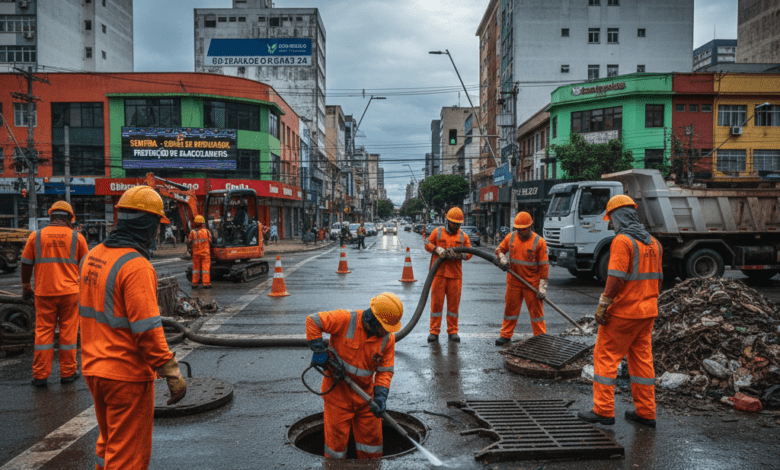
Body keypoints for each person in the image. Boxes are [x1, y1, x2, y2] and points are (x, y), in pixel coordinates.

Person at [79, 186, 186, 469]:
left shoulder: (92, 256)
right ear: (147, 224)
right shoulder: (136, 266)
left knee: (110, 442)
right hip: (125, 376)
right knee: (129, 456)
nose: (157, 233)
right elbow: (147, 331)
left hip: (94, 369)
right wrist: (170, 370)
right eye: (156, 226)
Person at [578, 195, 662, 428]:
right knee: (642, 361)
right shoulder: (654, 243)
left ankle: (603, 410)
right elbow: (658, 280)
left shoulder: (622, 242)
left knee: (605, 356)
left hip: (624, 313)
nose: (611, 224)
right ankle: (646, 412)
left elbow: (615, 278)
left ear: (618, 217)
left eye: (611, 220)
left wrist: (603, 304)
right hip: (648, 312)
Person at [305, 293, 403, 460]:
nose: (387, 331)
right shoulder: (345, 320)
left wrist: (380, 397)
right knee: (335, 449)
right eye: (384, 327)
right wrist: (319, 350)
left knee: (372, 446)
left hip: (366, 400)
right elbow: (313, 321)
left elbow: (385, 371)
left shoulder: (387, 339)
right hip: (337, 397)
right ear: (372, 319)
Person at [22, 201, 89, 387]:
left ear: (51, 217)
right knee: (68, 332)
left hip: (44, 293)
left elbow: (26, 263)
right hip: (70, 293)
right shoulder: (77, 238)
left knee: (43, 332)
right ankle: (67, 373)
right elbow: (86, 267)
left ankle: (40, 375)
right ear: (69, 219)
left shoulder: (36, 237)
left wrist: (26, 286)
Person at [495, 212, 549, 345]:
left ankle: (540, 337)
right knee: (510, 310)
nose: (520, 232)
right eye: (518, 229)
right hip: (514, 282)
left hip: (532, 284)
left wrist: (542, 287)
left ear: (530, 226)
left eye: (523, 229)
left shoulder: (539, 242)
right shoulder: (511, 238)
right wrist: (502, 258)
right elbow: (499, 249)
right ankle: (506, 335)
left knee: (536, 314)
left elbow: (544, 267)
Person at [424, 207, 472, 343]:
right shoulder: (437, 232)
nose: (456, 226)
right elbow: (427, 244)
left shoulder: (463, 236)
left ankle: (453, 332)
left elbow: (469, 253)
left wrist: (459, 255)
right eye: (453, 223)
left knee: (453, 306)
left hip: (455, 276)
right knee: (436, 305)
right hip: (438, 274)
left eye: (458, 224)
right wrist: (437, 249)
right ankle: (434, 332)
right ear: (447, 221)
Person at [188, 215, 212, 289]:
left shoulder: (192, 232)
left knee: (196, 269)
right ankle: (206, 283)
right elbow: (210, 241)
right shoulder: (207, 232)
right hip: (205, 254)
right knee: (205, 269)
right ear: (202, 223)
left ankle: (194, 283)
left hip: (196, 254)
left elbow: (189, 241)